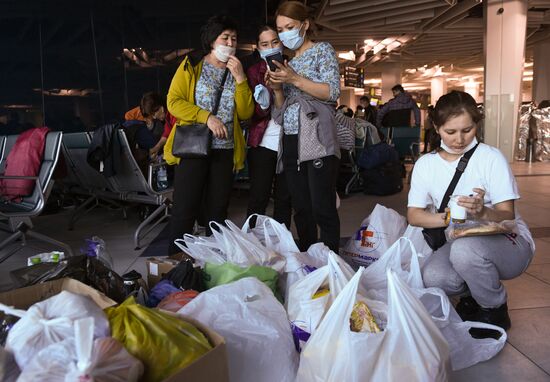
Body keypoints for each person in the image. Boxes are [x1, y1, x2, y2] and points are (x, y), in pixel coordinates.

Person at [407, 90, 534, 332]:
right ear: (436, 127)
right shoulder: (426, 165)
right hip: (461, 241)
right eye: (450, 131)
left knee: (466, 251)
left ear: (477, 124)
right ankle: (473, 297)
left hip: (509, 242)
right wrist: (453, 218)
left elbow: (507, 215)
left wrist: (481, 213)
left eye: (467, 130)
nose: (459, 139)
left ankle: (495, 310)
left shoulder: (490, 158)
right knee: (434, 276)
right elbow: (414, 215)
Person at [164, 15, 254, 254]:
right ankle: (175, 263)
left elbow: (246, 112)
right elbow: (173, 102)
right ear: (212, 41)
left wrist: (241, 79)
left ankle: (214, 261)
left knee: (218, 210)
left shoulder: (237, 71)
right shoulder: (192, 64)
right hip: (193, 147)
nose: (230, 43)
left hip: (224, 150)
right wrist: (207, 117)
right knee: (185, 208)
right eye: (224, 37)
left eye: (234, 39)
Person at [267, 1, 341, 252]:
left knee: (323, 206)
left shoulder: (322, 50)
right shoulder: (285, 62)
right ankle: (310, 260)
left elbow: (331, 92)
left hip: (316, 136)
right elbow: (279, 112)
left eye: (290, 26)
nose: (284, 33)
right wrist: (277, 89)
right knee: (301, 207)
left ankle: (332, 262)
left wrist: (294, 79)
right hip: (290, 138)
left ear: (305, 25)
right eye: (280, 29)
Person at [246, 25, 292, 228]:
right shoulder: (254, 71)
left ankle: (283, 244)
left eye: (274, 42)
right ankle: (252, 243)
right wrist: (263, 104)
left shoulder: (293, 67)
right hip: (263, 142)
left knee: (285, 199)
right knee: (258, 196)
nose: (270, 47)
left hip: (290, 141)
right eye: (264, 44)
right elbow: (250, 114)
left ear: (281, 42)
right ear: (258, 47)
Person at [124, 92, 167, 159]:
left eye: (153, 115)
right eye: (151, 115)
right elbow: (127, 116)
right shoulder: (142, 111)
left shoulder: (162, 113)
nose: (154, 117)